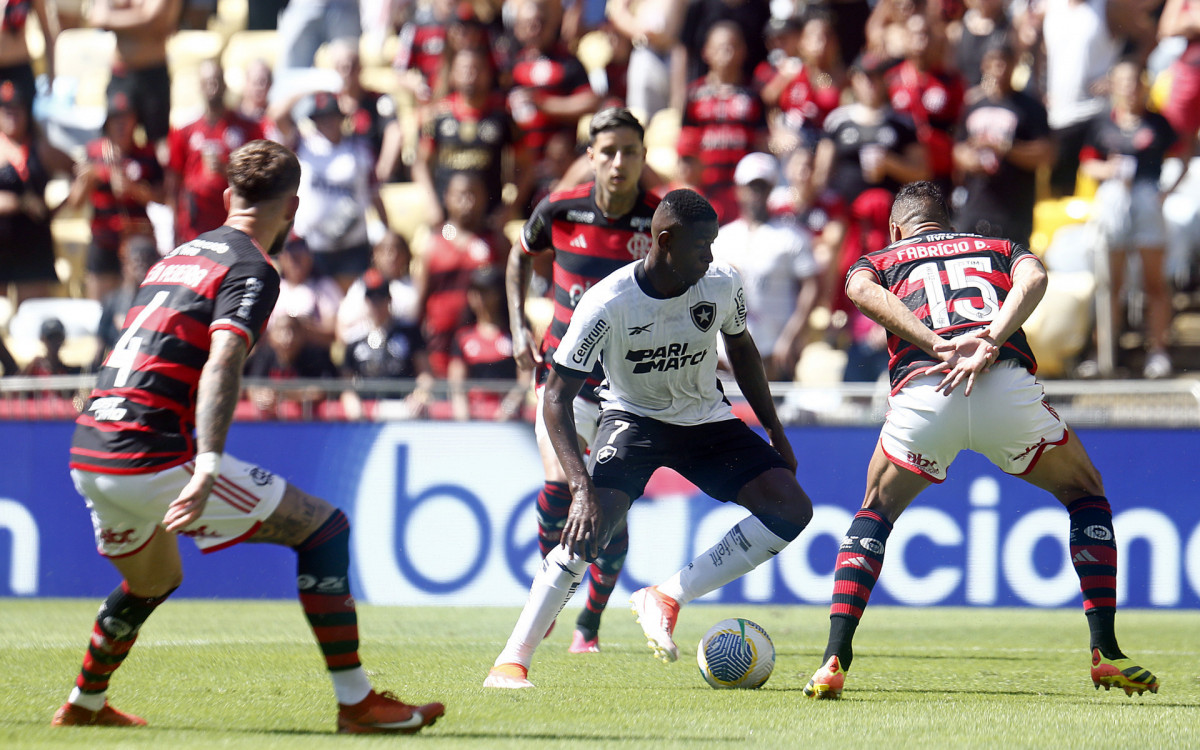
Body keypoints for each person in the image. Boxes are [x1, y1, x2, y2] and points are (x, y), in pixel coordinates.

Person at [57, 140, 445, 733]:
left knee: (154, 580)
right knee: (324, 529)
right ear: (292, 208)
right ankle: (357, 703)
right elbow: (223, 360)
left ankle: (84, 704)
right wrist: (209, 460)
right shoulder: (251, 267)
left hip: (89, 448)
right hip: (152, 456)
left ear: (226, 195)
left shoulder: (176, 257)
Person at [802, 181, 1159, 701]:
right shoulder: (997, 247)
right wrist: (989, 339)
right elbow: (1035, 277)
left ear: (897, 228)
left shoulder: (882, 256)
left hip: (927, 392)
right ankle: (1105, 651)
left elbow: (859, 291)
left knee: (875, 510)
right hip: (1003, 384)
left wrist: (937, 345)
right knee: (1086, 494)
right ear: (948, 222)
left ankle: (835, 657)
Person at [484, 188, 814, 688]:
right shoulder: (607, 302)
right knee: (588, 530)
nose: (711, 256)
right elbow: (555, 398)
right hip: (634, 420)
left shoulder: (722, 283)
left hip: (705, 421)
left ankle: (668, 595)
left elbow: (742, 350)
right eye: (702, 245)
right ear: (664, 240)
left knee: (792, 509)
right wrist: (580, 489)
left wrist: (774, 428)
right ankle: (512, 659)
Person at [506, 107, 660, 655]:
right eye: (609, 152)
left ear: (644, 158)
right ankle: (547, 599)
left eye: (631, 153)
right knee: (559, 489)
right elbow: (518, 257)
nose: (620, 162)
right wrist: (517, 327)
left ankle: (589, 624)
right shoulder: (560, 209)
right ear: (591, 156)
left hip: (625, 388)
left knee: (606, 509)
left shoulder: (659, 220)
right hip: (561, 381)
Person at [1079, 59, 1177, 379]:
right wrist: (1108, 171)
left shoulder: (1158, 123)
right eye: (1122, 82)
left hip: (1147, 201)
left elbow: (1183, 150)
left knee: (1153, 281)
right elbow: (1087, 163)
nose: (1129, 89)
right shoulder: (1102, 123)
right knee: (1111, 282)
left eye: (1134, 82)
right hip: (1112, 201)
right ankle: (1104, 352)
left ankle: (1158, 351)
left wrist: (1167, 190)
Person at [711, 152, 819, 381]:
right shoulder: (721, 239)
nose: (756, 194)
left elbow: (811, 286)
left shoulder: (792, 237)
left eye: (762, 187)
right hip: (724, 353)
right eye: (751, 186)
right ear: (738, 189)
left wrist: (791, 337)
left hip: (774, 352)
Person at [953, 40, 1054, 250]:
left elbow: (1046, 154)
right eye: (994, 63)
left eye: (1004, 63)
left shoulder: (1030, 107)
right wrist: (969, 160)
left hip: (1013, 209)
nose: (999, 69)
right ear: (984, 65)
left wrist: (1006, 149)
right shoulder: (973, 105)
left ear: (1014, 65)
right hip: (975, 206)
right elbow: (958, 148)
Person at [67, 90, 165, 301]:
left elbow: (162, 197)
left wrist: (133, 188)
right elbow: (75, 202)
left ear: (135, 121)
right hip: (104, 241)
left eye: (126, 118)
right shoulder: (94, 153)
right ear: (108, 123)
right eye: (116, 119)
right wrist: (88, 179)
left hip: (137, 241)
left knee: (139, 303)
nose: (121, 125)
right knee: (101, 305)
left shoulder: (146, 154)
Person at [167, 59, 265, 247]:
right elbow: (173, 182)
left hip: (233, 223)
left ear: (225, 85)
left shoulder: (247, 128)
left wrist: (229, 170)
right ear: (200, 87)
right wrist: (174, 224)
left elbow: (259, 176)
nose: (212, 87)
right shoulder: (185, 131)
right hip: (195, 225)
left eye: (216, 81)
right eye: (207, 82)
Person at [89, 0, 183, 154]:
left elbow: (152, 18)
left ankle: (157, 177)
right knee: (115, 141)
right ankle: (113, 177)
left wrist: (111, 18)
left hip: (153, 73)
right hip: (121, 72)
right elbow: (96, 16)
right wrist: (137, 16)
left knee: (159, 142)